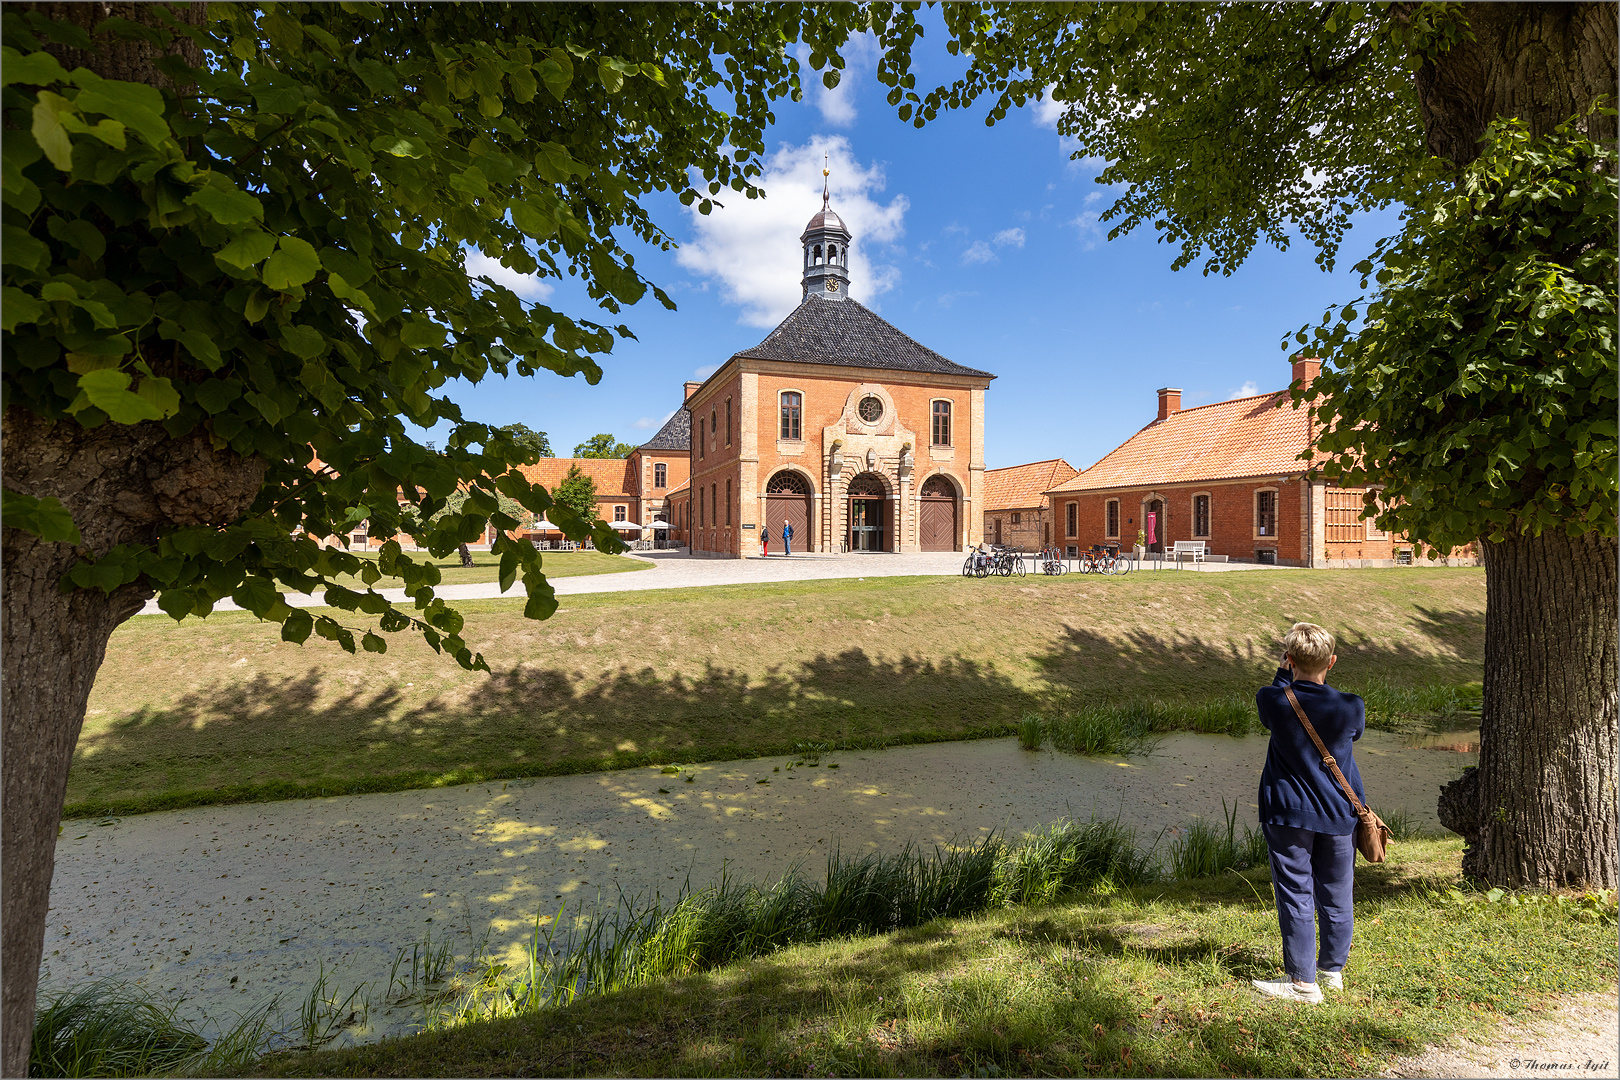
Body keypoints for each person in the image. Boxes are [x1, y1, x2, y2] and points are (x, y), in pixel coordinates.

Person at [1251, 621, 1366, 1005]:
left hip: (1288, 814)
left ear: (1289, 659)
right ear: (1331, 662)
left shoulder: (1273, 700)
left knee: (1296, 892)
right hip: (1338, 813)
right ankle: (1331, 971)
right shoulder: (1351, 706)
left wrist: (1284, 671)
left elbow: (1275, 696)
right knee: (1337, 892)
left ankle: (1302, 983)